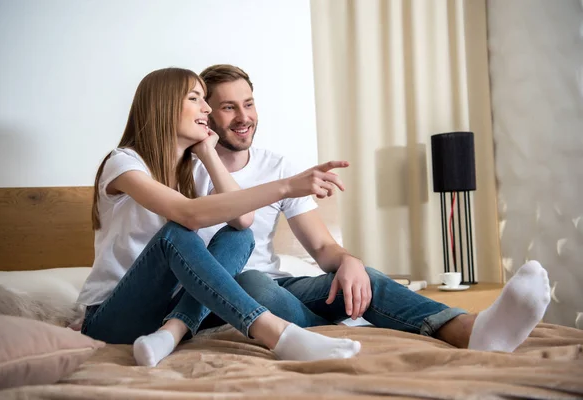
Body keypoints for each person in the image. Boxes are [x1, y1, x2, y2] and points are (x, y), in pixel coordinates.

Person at [193, 64, 551, 352]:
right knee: (251, 280)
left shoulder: (278, 167)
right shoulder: (183, 170)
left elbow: (321, 248)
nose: (244, 116)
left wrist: (350, 262)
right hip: (214, 300)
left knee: (367, 278)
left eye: (249, 103)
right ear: (207, 114)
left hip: (280, 289)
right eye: (229, 107)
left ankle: (469, 329)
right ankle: (333, 327)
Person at [76, 67, 362, 368]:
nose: (207, 108)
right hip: (113, 317)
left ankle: (171, 333)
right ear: (164, 104)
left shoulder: (195, 171)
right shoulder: (123, 163)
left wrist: (208, 155)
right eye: (195, 98)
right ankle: (276, 333)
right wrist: (286, 187)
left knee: (238, 236)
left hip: (163, 315)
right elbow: (187, 214)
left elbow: (244, 220)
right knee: (177, 234)